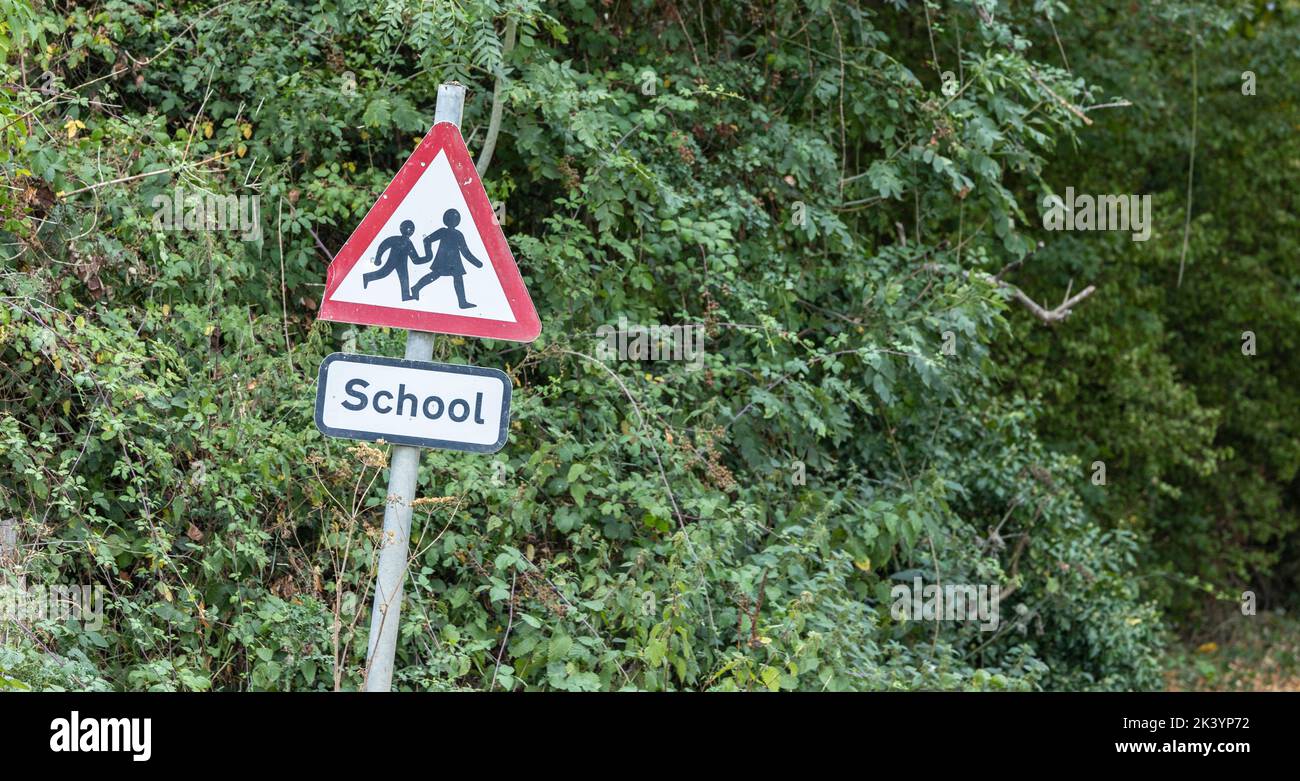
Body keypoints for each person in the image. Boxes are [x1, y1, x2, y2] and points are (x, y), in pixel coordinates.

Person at [409, 209, 483, 308]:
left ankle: (462, 302)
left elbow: (465, 251)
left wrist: (477, 263)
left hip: (454, 261)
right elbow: (427, 240)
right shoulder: (444, 232)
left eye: (454, 219)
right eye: (451, 219)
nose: (453, 221)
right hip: (443, 259)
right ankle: (416, 288)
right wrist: (429, 255)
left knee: (456, 278)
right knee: (437, 275)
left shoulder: (458, 234)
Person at [363, 220, 427, 301]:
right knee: (383, 273)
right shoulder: (396, 239)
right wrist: (377, 258)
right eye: (408, 229)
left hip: (402, 263)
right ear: (402, 229)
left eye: (411, 230)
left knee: (404, 278)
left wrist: (427, 258)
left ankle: (406, 296)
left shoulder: (409, 243)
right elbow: (383, 246)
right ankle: (367, 277)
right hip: (393, 260)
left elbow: (415, 259)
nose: (409, 231)